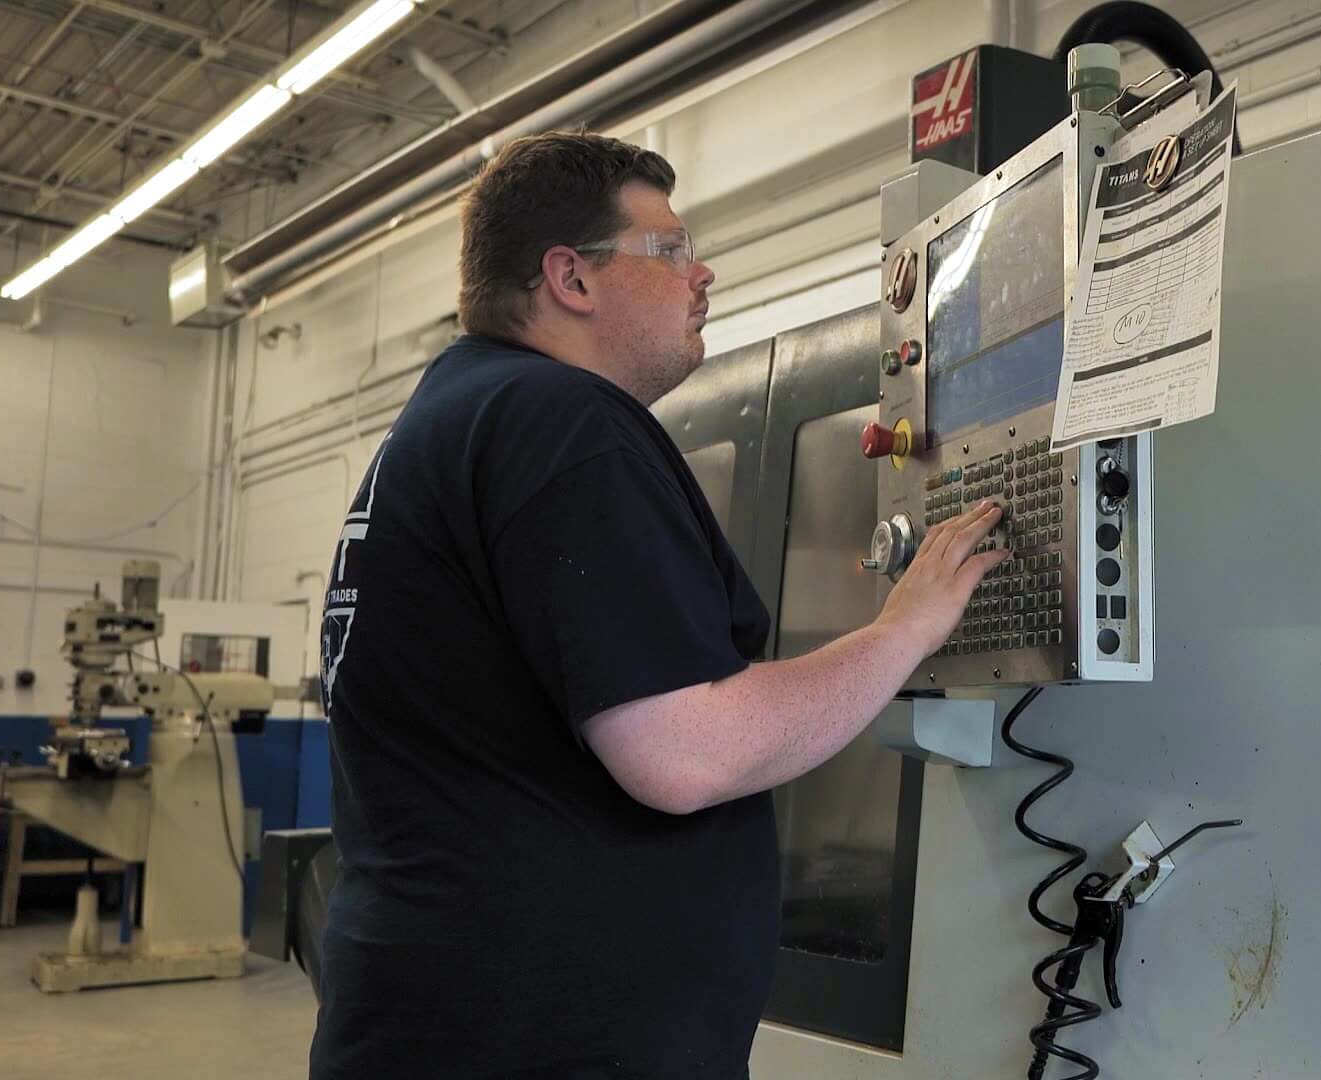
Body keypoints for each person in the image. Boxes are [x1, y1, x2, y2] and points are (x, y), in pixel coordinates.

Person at [309, 131, 1006, 1079]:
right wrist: (905, 629)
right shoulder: (560, 422)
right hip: (538, 1042)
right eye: (669, 249)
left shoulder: (455, 417)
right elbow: (686, 753)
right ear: (571, 279)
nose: (702, 272)